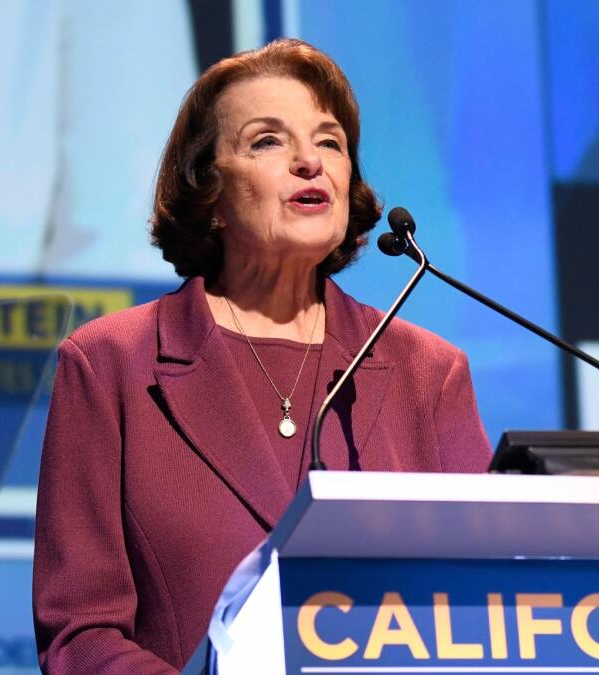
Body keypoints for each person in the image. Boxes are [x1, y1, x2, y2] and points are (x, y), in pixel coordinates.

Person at [31, 39, 492, 674]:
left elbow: (488, 606)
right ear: (208, 192)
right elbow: (79, 635)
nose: (311, 162)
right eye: (268, 141)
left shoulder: (428, 373)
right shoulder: (111, 366)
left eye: (330, 142)